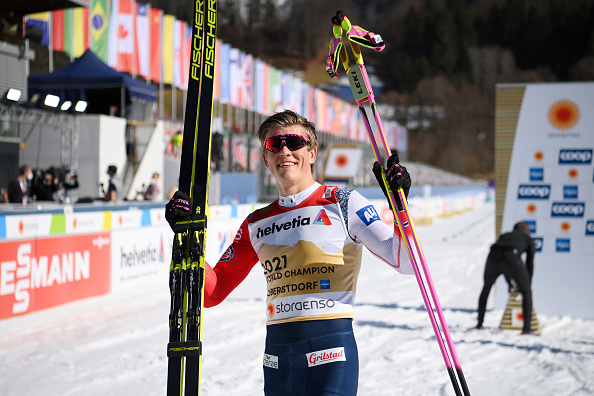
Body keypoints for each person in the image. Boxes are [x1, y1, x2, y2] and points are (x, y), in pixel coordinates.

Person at [165, 110, 414, 395]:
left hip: (331, 353)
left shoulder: (342, 202)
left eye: (294, 142)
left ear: (311, 153)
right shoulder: (256, 223)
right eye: (274, 145)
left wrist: (400, 205)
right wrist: (187, 236)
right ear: (265, 158)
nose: (285, 150)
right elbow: (212, 292)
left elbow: (405, 262)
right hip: (278, 358)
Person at [476, 221, 535, 334]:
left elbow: (503, 266)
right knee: (526, 292)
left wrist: (510, 282)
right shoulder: (528, 239)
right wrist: (527, 283)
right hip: (511, 256)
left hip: (493, 255)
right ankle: (526, 328)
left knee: (486, 288)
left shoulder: (505, 235)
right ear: (527, 231)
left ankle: (479, 324)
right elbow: (529, 264)